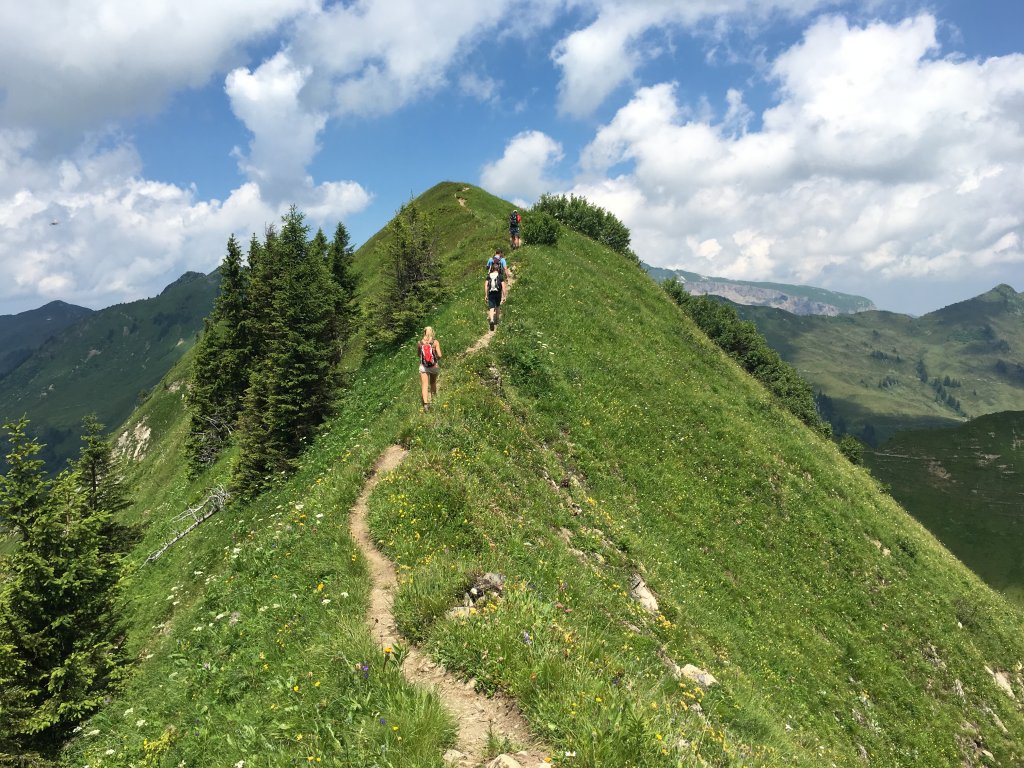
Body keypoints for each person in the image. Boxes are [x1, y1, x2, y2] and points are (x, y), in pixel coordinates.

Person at [417, 326, 442, 411]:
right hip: (434, 366)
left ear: (424, 332)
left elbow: (418, 354)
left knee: (425, 385)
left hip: (423, 367)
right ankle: (434, 401)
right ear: (432, 332)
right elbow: (440, 355)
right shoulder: (435, 342)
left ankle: (426, 405)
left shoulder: (420, 343)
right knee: (433, 383)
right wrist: (436, 359)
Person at [485, 257, 506, 331]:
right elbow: (503, 287)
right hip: (498, 293)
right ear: (498, 269)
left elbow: (486, 286)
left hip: (491, 293)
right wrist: (504, 296)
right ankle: (497, 320)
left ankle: (491, 320)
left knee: (491, 307)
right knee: (497, 306)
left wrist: (486, 295)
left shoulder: (489, 276)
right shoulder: (500, 276)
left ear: (492, 269)